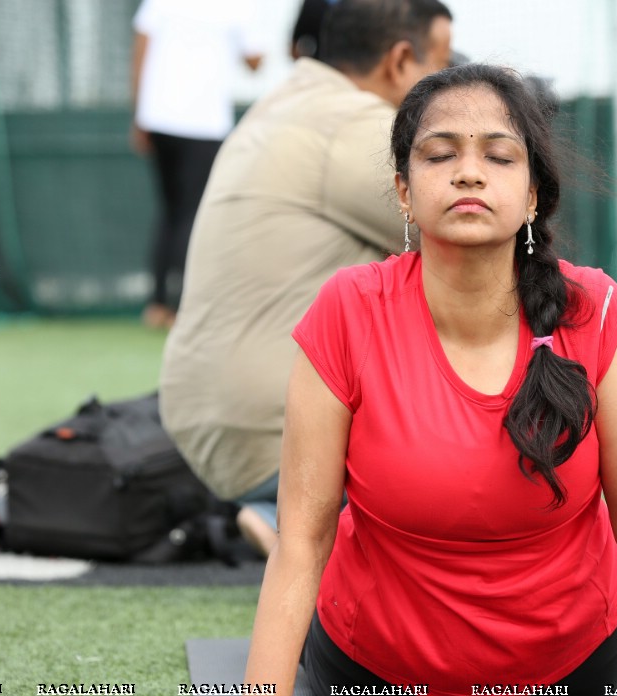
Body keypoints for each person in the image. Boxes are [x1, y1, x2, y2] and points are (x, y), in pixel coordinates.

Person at [223, 63, 617, 696]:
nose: (468, 174)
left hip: (568, 677)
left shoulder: (597, 315)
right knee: (297, 535)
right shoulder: (349, 308)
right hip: (374, 678)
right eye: (440, 155)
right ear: (404, 191)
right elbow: (303, 539)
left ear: (532, 195)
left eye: (497, 156)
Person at [159, 0, 454, 555]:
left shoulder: (288, 102)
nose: (451, 87)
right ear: (398, 61)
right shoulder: (356, 126)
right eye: (441, 64)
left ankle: (288, 515)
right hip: (275, 434)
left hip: (215, 422)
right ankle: (305, 520)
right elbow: (491, 238)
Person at [131, 0, 266, 329]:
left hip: (158, 118)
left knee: (171, 209)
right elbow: (254, 60)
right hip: (204, 124)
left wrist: (138, 115)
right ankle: (184, 306)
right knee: (194, 212)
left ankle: (159, 303)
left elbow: (140, 52)